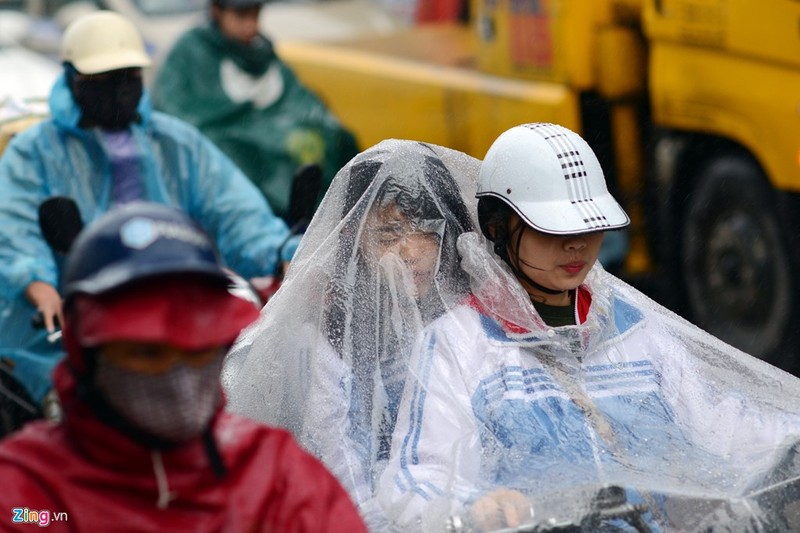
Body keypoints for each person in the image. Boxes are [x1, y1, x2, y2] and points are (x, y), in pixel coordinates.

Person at [376, 123, 800, 531]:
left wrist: (789, 442)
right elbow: (415, 477)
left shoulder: (636, 332)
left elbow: (721, 423)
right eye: (553, 229)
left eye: (589, 227)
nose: (576, 245)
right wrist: (475, 508)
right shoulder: (460, 344)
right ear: (497, 227)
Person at [0, 10, 297, 427]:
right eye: (104, 79)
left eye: (129, 75)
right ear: (72, 79)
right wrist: (39, 285)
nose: (120, 89)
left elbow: (233, 208)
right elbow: (15, 229)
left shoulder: (175, 142)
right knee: (63, 409)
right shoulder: (34, 152)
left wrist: (284, 252)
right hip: (70, 322)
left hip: (173, 308)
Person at [0, 202, 366, 532]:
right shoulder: (26, 495)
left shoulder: (277, 475)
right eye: (147, 354)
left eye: (198, 353)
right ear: (87, 353)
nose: (179, 380)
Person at [222, 139, 478, 530]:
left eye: (427, 230)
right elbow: (344, 471)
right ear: (356, 241)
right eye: (389, 235)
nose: (409, 251)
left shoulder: (475, 321)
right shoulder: (330, 342)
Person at [152, 0, 359, 221]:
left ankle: (316, 222)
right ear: (216, 12)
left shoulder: (261, 53)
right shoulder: (190, 51)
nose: (250, 26)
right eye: (241, 16)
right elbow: (172, 109)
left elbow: (300, 100)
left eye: (255, 15)